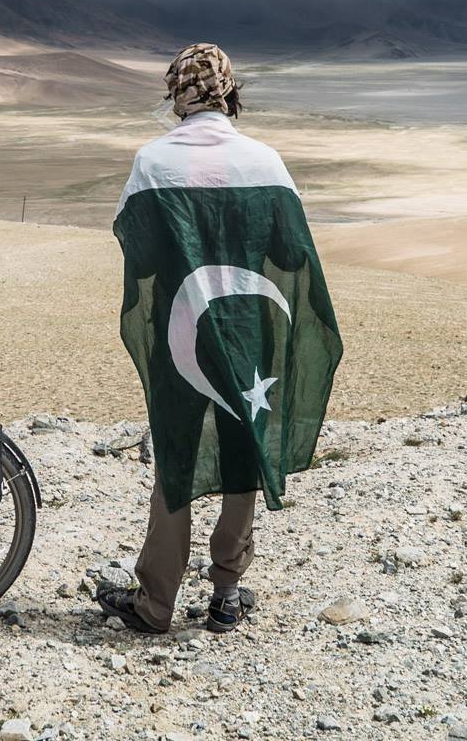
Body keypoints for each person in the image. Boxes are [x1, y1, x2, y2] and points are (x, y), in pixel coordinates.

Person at [97, 43, 344, 634]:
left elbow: (144, 256)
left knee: (177, 454)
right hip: (248, 333)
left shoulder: (153, 163)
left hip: (182, 331)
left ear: (175, 97)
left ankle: (156, 604)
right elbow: (289, 251)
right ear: (232, 93)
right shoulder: (265, 162)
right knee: (242, 450)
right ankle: (227, 593)